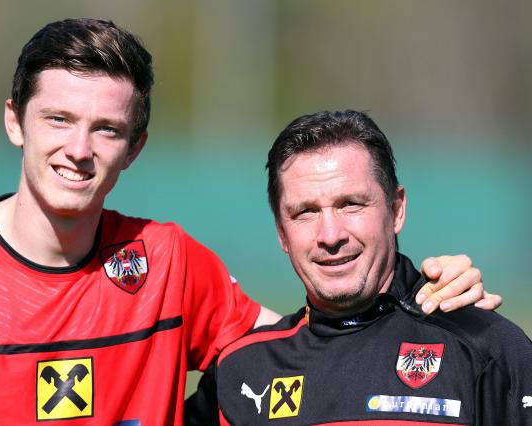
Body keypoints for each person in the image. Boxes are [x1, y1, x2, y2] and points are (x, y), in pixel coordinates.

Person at [0, 19, 498, 425]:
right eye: (58, 119)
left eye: (107, 129)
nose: (79, 148)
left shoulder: (166, 261)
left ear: (135, 147)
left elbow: (310, 345)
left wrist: (423, 292)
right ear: (15, 122)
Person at [209, 110, 531, 425]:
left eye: (350, 204)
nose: (331, 236)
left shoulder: (487, 349)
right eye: (305, 212)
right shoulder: (242, 374)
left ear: (396, 209)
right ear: (282, 233)